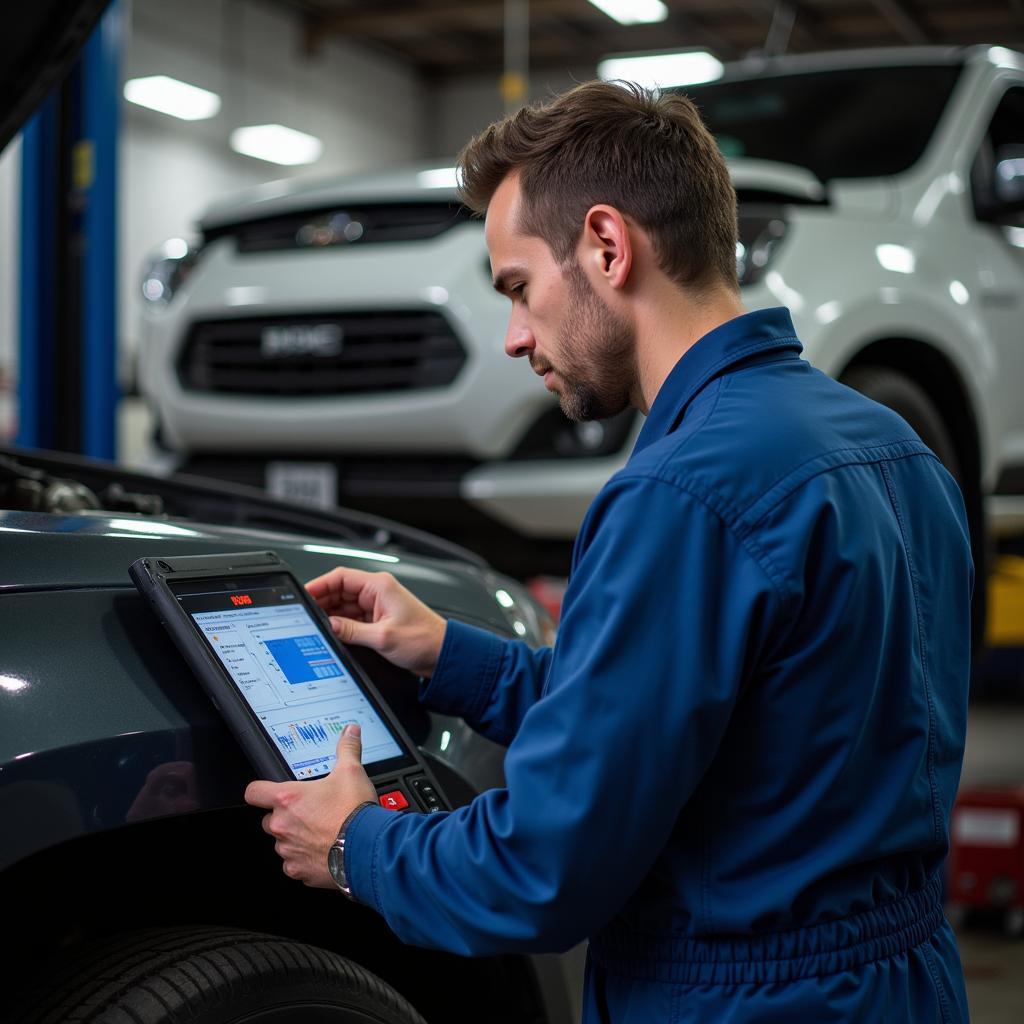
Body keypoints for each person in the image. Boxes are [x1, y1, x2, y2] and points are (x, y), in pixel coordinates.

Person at [245, 81, 973, 1022]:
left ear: (606, 245)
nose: (515, 337)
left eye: (518, 288)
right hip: (905, 985)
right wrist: (446, 653)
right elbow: (728, 729)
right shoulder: (893, 446)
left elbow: (545, 870)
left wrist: (354, 846)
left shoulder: (680, 493)